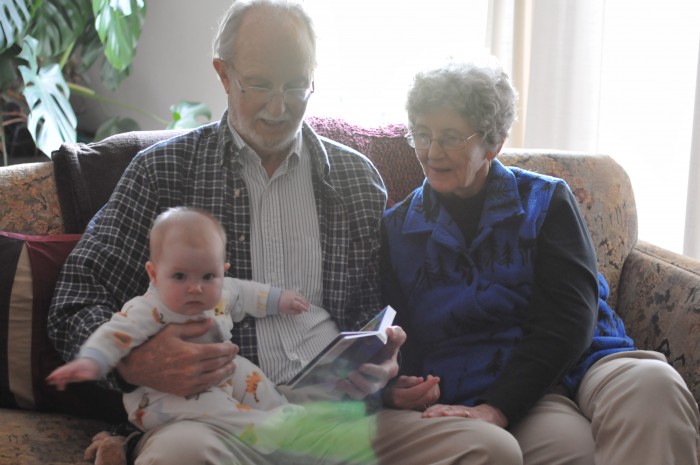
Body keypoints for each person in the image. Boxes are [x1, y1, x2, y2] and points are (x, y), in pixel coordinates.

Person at [49, 1, 521, 464]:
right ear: (223, 74)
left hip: (339, 419)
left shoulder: (356, 179)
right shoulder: (164, 172)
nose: (279, 107)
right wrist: (134, 360)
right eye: (259, 84)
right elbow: (75, 297)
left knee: (491, 450)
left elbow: (377, 311)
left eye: (296, 86)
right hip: (221, 418)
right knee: (177, 457)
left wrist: (384, 370)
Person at [380, 59, 700, 465]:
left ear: (493, 143)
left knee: (654, 386)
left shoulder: (545, 200)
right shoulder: (397, 231)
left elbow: (569, 316)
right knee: (573, 451)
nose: (432, 152)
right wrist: (398, 385)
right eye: (422, 135)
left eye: (451, 137)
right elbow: (397, 334)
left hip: (588, 357)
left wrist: (497, 408)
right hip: (494, 384)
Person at [47, 207, 312, 453]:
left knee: (250, 374)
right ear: (154, 274)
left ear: (222, 271)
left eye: (208, 276)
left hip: (220, 373)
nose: (195, 287)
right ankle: (263, 430)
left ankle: (288, 416)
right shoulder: (149, 308)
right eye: (180, 276)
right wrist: (92, 361)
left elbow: (248, 293)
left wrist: (281, 299)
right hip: (162, 397)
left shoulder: (224, 290)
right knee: (213, 408)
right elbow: (113, 334)